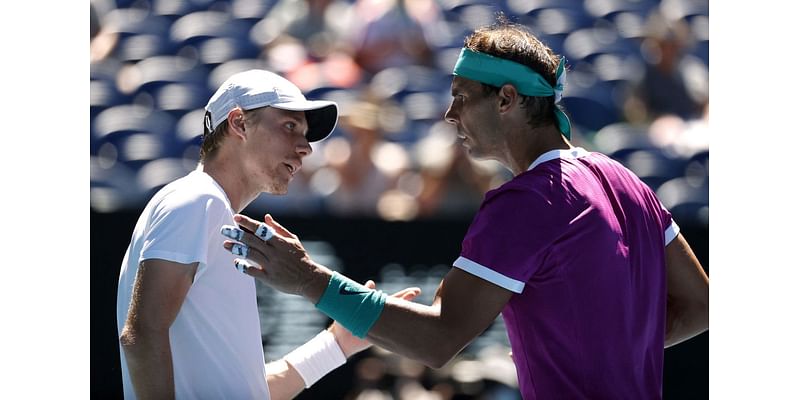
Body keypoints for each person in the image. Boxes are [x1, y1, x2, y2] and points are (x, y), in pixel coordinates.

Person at [222, 16, 709, 399]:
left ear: (507, 100)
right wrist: (610, 348)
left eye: (460, 97)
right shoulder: (628, 182)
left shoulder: (527, 201)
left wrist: (308, 277)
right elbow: (702, 306)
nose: (450, 114)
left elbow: (438, 339)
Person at [115, 69, 420, 399]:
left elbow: (250, 392)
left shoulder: (207, 206)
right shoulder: (197, 201)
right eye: (290, 127)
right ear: (239, 124)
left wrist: (337, 344)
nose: (306, 147)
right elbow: (142, 333)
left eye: (304, 134)